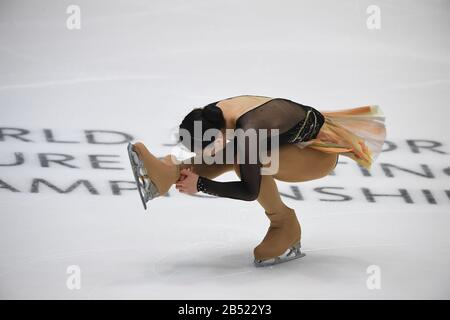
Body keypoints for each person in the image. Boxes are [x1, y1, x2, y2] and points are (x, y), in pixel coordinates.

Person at [127, 95, 386, 266]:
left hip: (316, 156)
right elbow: (214, 146)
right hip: (283, 142)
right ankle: (164, 173)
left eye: (207, 147)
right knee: (237, 152)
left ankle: (285, 224)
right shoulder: (212, 113)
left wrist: (201, 185)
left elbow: (250, 190)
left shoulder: (250, 130)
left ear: (217, 136)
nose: (208, 152)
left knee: (245, 157)